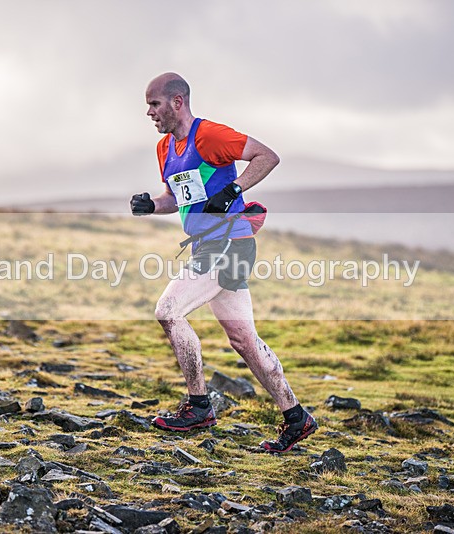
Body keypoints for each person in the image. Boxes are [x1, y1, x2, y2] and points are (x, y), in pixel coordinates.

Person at [130, 72, 317, 453]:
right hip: (207, 246)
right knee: (244, 341)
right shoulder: (165, 149)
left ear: (178, 102)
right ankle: (296, 417)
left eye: (154, 104)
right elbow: (175, 199)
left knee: (168, 311)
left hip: (229, 243)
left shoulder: (210, 136)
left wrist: (234, 188)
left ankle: (199, 406)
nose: (150, 113)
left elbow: (267, 156)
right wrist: (151, 205)